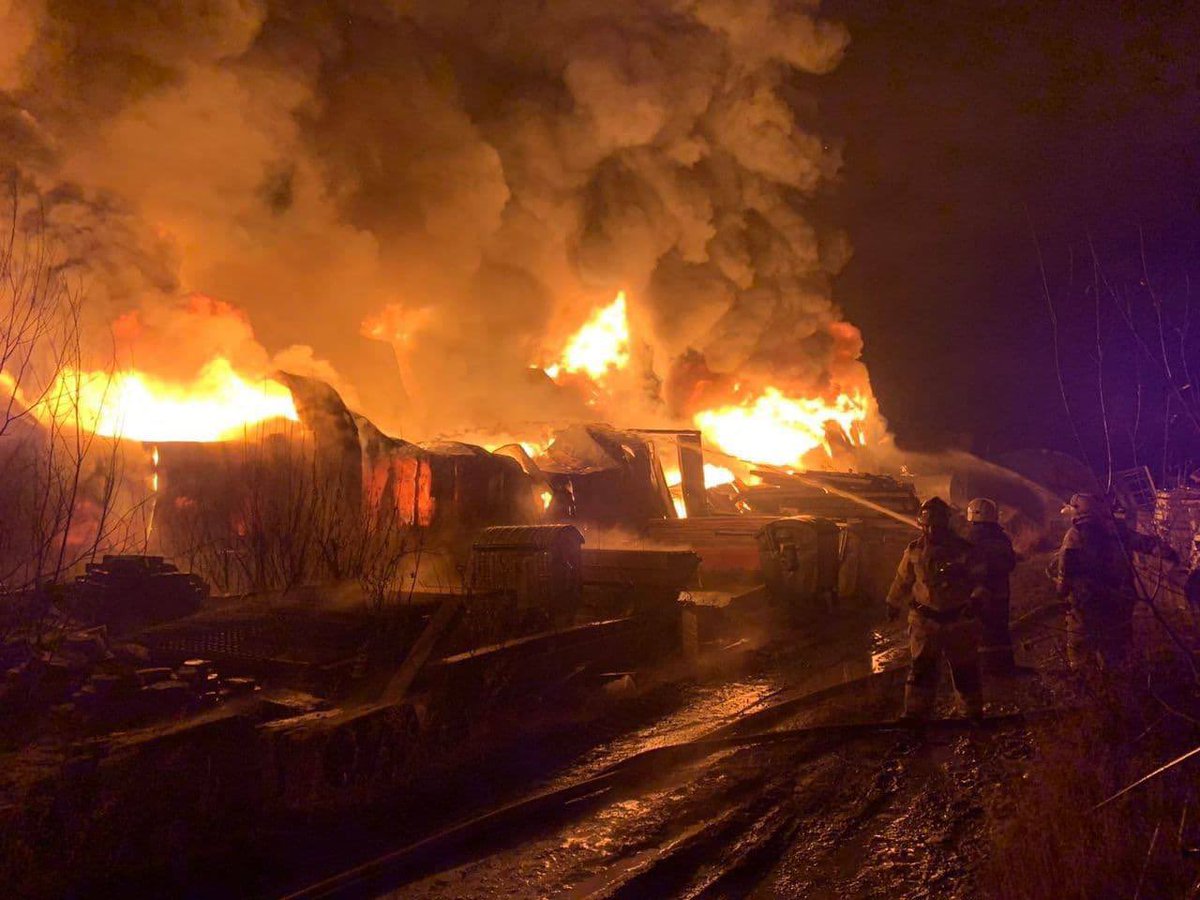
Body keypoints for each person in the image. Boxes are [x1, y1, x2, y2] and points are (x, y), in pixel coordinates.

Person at [887, 496, 988, 720]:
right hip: (925, 622)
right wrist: (892, 603)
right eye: (928, 526)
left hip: (959, 620)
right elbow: (902, 580)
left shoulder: (965, 550)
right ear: (922, 525)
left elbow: (981, 579)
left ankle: (971, 713)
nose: (932, 531)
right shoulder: (913, 550)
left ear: (946, 524)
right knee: (922, 669)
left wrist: (976, 600)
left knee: (965, 669)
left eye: (937, 526)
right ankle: (915, 714)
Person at [1054, 493, 1178, 671]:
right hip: (1121, 598)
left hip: (1087, 602)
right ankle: (1120, 680)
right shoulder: (1117, 532)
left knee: (1081, 644)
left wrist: (1062, 593)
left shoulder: (1074, 536)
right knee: (1118, 643)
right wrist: (1169, 553)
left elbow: (1065, 570)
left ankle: (1086, 683)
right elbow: (1147, 544)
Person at [966, 498, 1018, 673]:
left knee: (982, 631)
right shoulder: (1002, 537)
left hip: (978, 594)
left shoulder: (969, 539)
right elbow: (1011, 563)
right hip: (1001, 593)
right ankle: (1005, 667)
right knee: (1000, 629)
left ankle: (987, 669)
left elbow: (964, 566)